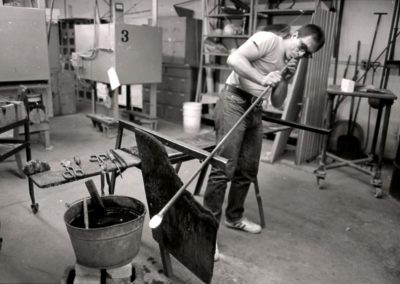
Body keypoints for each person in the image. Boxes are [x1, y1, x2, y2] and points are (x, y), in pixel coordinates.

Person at [202, 24, 325, 260]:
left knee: (248, 168)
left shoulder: (291, 62)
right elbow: (234, 58)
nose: (300, 54)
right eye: (301, 47)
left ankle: (234, 217)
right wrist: (262, 77)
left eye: (306, 54)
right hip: (234, 100)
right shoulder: (269, 40)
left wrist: (284, 80)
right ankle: (206, 234)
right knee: (222, 169)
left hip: (254, 110)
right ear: (295, 35)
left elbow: (278, 103)